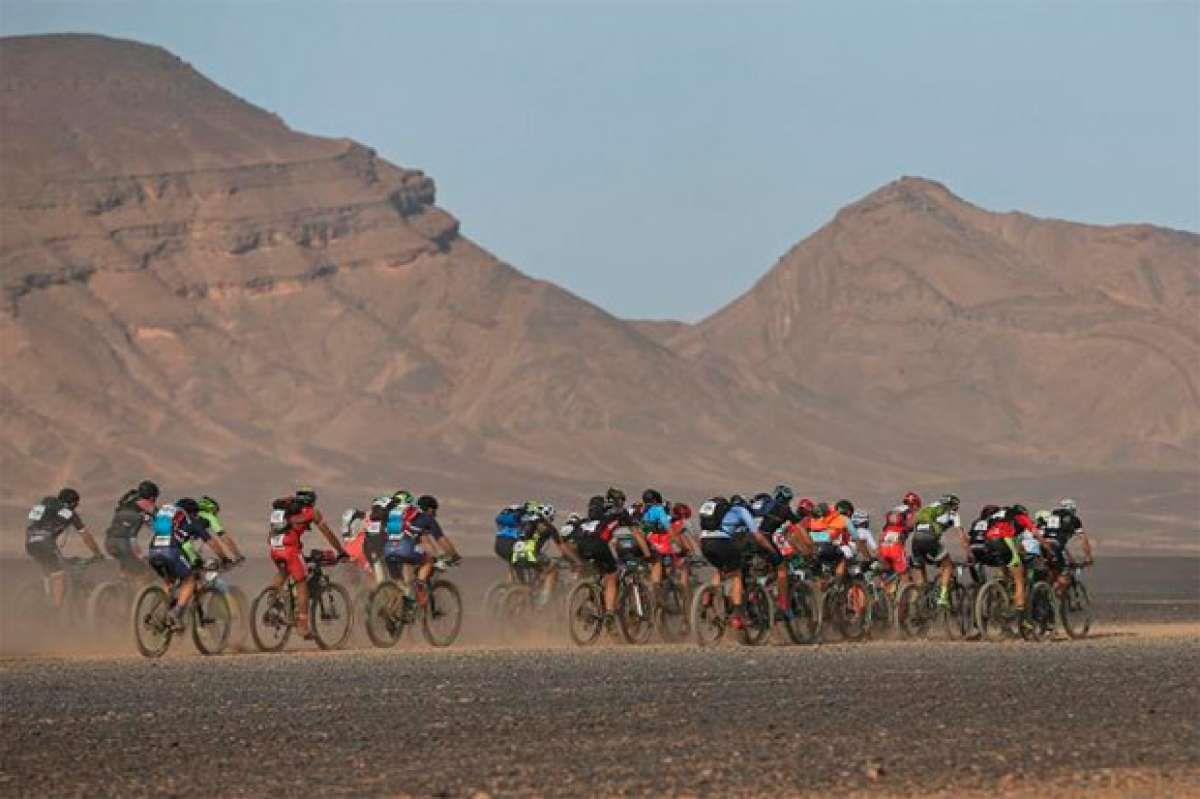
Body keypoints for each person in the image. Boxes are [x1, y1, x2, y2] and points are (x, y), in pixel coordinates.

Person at [267, 487, 347, 638]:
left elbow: (272, 534)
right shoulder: (312, 512)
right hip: (290, 549)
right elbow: (327, 533)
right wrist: (341, 551)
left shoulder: (285, 511)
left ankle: (271, 603)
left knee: (284, 572)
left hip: (274, 548)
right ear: (312, 500)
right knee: (302, 583)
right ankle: (302, 626)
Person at [148, 498, 231, 631]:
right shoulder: (192, 521)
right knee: (190, 580)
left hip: (153, 551)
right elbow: (213, 543)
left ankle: (159, 613)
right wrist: (225, 558)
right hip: (171, 550)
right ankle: (176, 613)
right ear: (192, 512)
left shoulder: (171, 521)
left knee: (169, 581)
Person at [25, 487, 104, 608]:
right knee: (59, 575)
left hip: (30, 542)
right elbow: (86, 536)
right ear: (73, 503)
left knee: (48, 568)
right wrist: (97, 553)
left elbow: (35, 524)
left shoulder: (43, 506)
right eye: (76, 504)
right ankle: (56, 611)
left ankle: (46, 595)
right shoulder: (70, 513)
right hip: (46, 543)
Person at [698, 494, 760, 628]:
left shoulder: (721, 515)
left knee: (720, 570)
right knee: (737, 574)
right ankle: (737, 615)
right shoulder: (741, 511)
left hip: (704, 542)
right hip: (722, 542)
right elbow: (756, 534)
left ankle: (707, 599)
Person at [513, 503, 582, 605]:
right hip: (531, 555)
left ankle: (518, 599)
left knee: (529, 581)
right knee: (552, 571)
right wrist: (576, 560)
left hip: (516, 555)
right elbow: (562, 548)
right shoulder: (550, 528)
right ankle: (542, 603)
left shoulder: (527, 521)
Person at [754, 485, 806, 620]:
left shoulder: (757, 506)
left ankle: (754, 592)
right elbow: (798, 527)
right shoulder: (784, 509)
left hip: (745, 539)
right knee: (782, 567)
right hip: (764, 539)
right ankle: (784, 605)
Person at [984, 504, 1039, 615]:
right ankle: (1021, 616)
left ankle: (1001, 592)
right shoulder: (1021, 518)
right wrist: (1047, 546)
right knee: (1019, 579)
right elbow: (1036, 534)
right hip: (1004, 543)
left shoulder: (998, 520)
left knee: (1005, 567)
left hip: (989, 543)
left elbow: (1014, 543)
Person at [910, 493, 963, 607]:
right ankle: (943, 597)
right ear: (952, 505)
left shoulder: (929, 508)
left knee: (921, 574)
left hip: (916, 540)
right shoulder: (952, 513)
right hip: (930, 540)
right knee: (948, 565)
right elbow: (961, 536)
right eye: (956, 506)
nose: (957, 509)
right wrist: (968, 553)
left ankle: (917, 602)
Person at [1037, 498, 1094, 596]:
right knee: (1064, 576)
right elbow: (1083, 540)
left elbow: (1041, 533)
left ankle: (1042, 594)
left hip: (1042, 546)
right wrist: (1088, 557)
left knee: (1050, 570)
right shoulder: (1074, 520)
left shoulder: (1050, 517)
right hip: (1056, 547)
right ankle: (1052, 597)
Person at [103, 480, 159, 578]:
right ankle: (138, 590)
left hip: (108, 542)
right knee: (144, 571)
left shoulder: (128, 501)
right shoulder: (145, 504)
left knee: (128, 563)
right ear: (151, 497)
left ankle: (122, 581)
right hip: (124, 544)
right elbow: (158, 519)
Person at [196, 495, 245, 564]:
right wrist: (237, 555)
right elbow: (224, 537)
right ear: (211, 509)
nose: (215, 514)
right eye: (215, 512)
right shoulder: (209, 516)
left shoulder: (189, 515)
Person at [878, 503, 914, 590]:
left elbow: (880, 540)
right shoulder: (904, 528)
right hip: (896, 550)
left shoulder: (886, 528)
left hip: (883, 549)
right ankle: (905, 600)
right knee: (904, 575)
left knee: (888, 573)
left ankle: (886, 592)